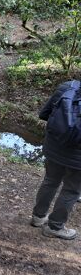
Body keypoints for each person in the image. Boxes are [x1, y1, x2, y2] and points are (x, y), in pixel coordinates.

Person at [31, 81, 81, 240]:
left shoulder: (67, 86)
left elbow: (44, 114)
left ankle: (38, 217)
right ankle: (55, 227)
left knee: (50, 180)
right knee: (71, 190)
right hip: (78, 157)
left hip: (54, 147)